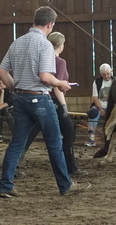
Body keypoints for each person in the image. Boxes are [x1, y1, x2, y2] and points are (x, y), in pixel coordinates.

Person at [0, 6, 90, 197]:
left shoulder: (17, 42)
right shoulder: (45, 45)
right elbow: (45, 77)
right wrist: (61, 83)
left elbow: (1, 72)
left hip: (20, 98)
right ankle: (65, 185)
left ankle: (5, 185)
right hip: (39, 99)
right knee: (54, 142)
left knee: (17, 143)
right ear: (50, 24)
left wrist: (15, 88)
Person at [20, 31, 87, 177]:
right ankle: (71, 167)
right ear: (61, 45)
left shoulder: (42, 59)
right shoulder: (60, 62)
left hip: (39, 100)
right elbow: (57, 87)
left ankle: (16, 164)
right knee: (68, 133)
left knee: (29, 135)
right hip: (54, 102)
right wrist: (64, 107)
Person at [86, 63, 115, 147]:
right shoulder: (97, 82)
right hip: (100, 106)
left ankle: (113, 139)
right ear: (100, 74)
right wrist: (101, 110)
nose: (106, 76)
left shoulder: (115, 81)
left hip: (112, 106)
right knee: (92, 113)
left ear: (111, 72)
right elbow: (95, 98)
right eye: (104, 74)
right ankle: (91, 138)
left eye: (108, 74)